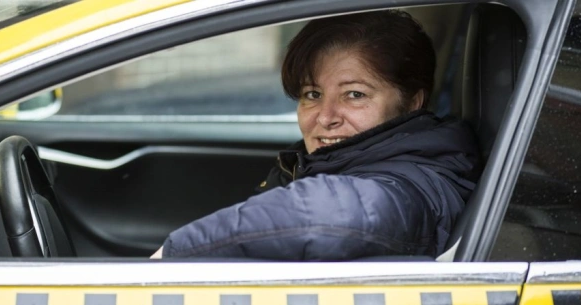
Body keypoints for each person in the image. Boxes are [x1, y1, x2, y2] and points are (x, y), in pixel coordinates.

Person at [151, 10, 480, 260]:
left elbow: (329, 216)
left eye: (354, 95)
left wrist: (174, 253)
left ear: (412, 103)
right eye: (312, 94)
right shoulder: (335, 162)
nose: (325, 117)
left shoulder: (415, 183)